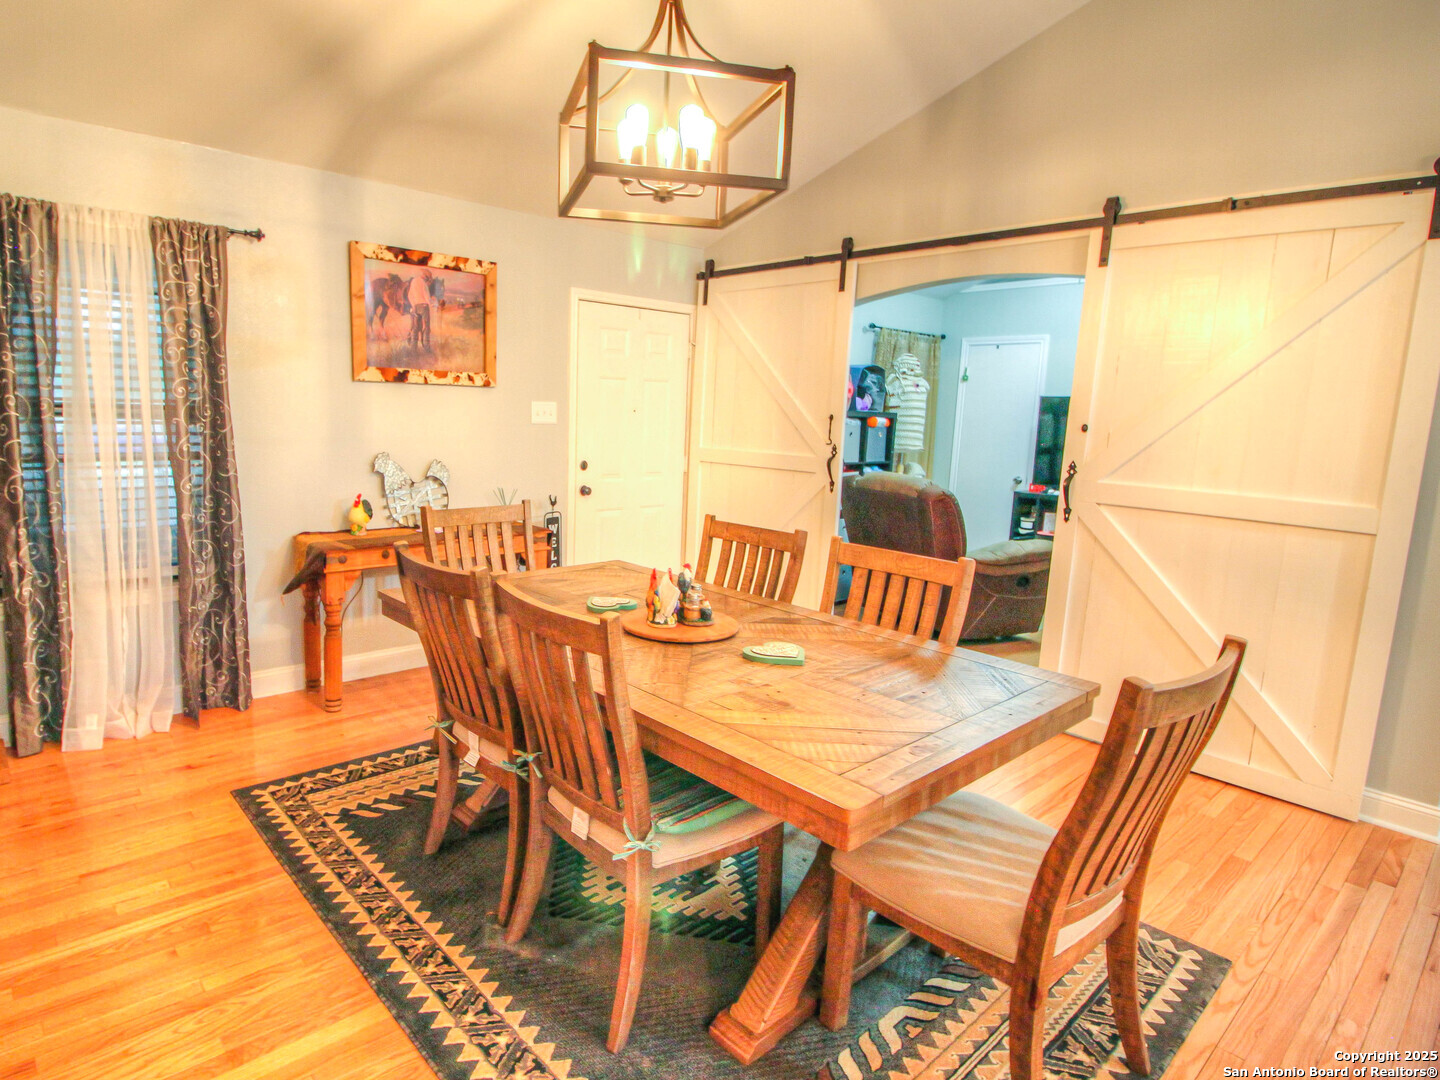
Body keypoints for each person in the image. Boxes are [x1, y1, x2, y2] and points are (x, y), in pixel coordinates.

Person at [407, 269, 434, 352]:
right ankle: (427, 348)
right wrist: (433, 304)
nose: (428, 280)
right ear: (425, 277)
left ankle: (413, 348)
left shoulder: (414, 281)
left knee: (415, 327)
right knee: (426, 327)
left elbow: (409, 295)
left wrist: (413, 305)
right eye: (428, 278)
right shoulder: (424, 284)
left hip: (415, 307)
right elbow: (426, 297)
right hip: (424, 306)